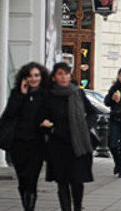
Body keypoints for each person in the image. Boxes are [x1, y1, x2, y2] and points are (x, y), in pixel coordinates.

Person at [41, 62, 95, 211]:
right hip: (58, 145)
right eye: (60, 74)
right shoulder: (49, 96)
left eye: (66, 73)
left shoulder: (77, 93)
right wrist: (49, 128)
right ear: (54, 77)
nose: (63, 77)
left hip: (77, 145)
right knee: (62, 182)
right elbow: (42, 118)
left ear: (70, 75)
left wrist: (85, 127)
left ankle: (77, 207)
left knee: (77, 181)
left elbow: (92, 113)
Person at [0, 62, 49, 210]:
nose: (33, 79)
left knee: (32, 180)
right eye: (30, 76)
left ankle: (29, 208)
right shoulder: (17, 93)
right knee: (22, 180)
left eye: (36, 75)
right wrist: (21, 94)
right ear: (24, 77)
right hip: (18, 143)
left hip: (37, 144)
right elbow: (10, 113)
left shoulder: (45, 94)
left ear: (41, 77)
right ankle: (26, 205)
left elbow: (50, 114)